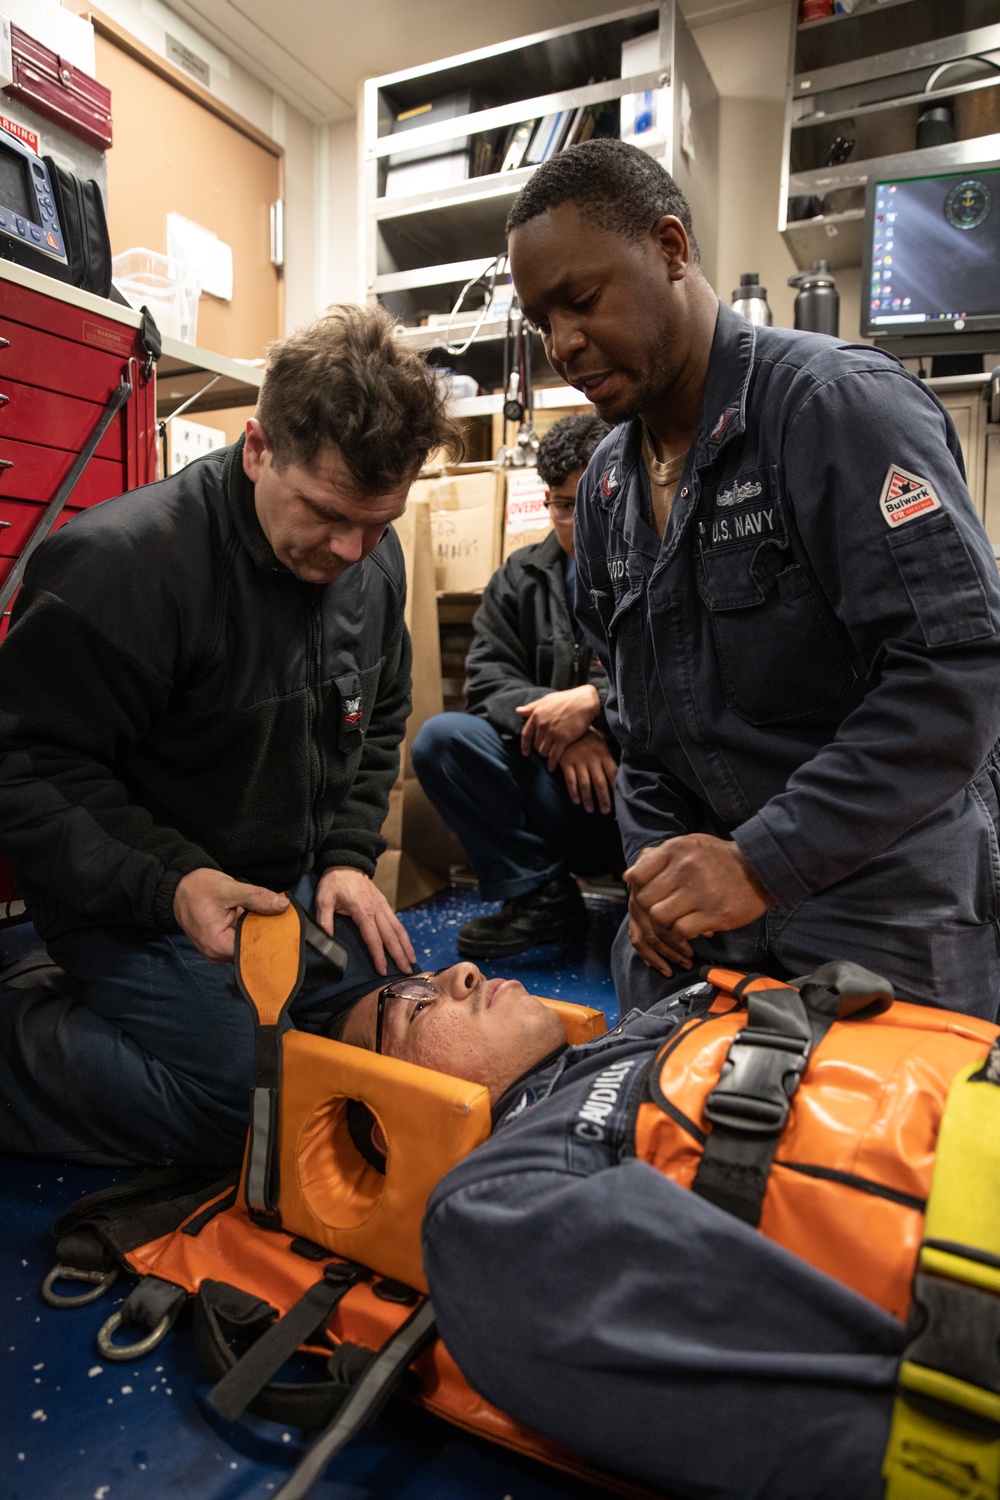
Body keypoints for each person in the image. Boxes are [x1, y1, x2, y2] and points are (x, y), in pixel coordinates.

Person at [503, 138, 1000, 1019]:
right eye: (543, 320)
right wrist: (657, 873)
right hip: (704, 903)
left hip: (878, 889)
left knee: (890, 1146)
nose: (565, 344)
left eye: (580, 301)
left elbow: (955, 678)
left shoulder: (835, 409)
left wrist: (763, 861)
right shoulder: (611, 489)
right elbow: (641, 727)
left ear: (670, 248)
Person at [0, 303, 461, 1167]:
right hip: (132, 902)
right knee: (253, 1106)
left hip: (278, 889)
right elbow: (24, 766)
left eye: (380, 521)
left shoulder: (367, 557)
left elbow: (384, 711)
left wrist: (350, 858)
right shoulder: (124, 566)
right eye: (326, 512)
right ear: (257, 449)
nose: (354, 550)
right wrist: (173, 883)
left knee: (383, 1026)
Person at [325, 960, 917, 1500]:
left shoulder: (655, 1025)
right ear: (392, 1120)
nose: (465, 971)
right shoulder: (497, 1212)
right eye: (415, 1005)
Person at [412, 414, 622, 959]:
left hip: (637, 795)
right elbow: (487, 677)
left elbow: (685, 679)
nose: (576, 522)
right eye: (562, 505)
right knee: (443, 741)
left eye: (589, 501)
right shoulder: (521, 575)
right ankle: (541, 896)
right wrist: (567, 729)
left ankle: (659, 898)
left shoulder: (654, 568)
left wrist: (597, 707)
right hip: (559, 785)